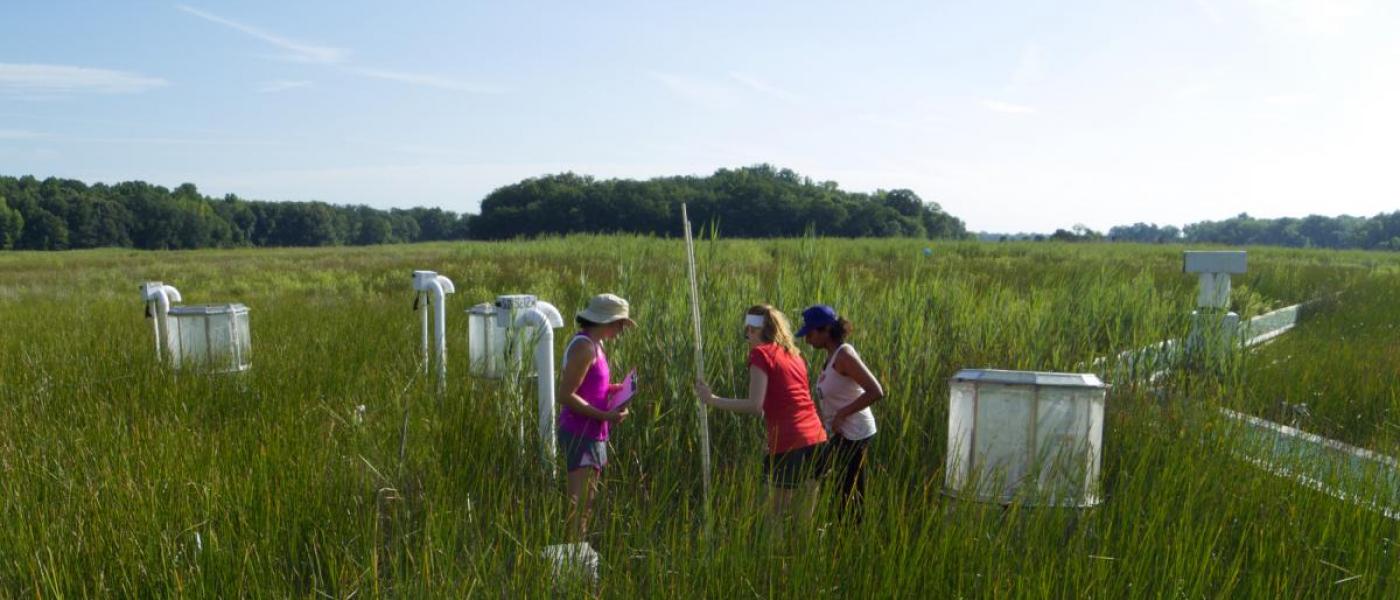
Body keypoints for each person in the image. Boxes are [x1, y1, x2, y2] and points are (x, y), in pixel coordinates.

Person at [696, 304, 828, 540]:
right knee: (805, 520)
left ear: (753, 330)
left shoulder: (760, 354)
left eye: (747, 333)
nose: (747, 339)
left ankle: (774, 569)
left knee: (775, 515)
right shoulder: (794, 354)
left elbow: (755, 405)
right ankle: (803, 563)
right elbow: (791, 400)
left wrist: (712, 400)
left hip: (790, 441)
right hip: (816, 438)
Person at [556, 293, 636, 541]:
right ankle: (573, 560)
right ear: (607, 321)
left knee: (587, 504)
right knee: (579, 506)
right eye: (620, 324)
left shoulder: (596, 345)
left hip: (593, 432)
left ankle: (577, 555)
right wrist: (604, 414)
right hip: (580, 433)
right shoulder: (584, 347)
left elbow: (590, 388)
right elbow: (565, 395)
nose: (621, 330)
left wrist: (614, 391)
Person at [796, 304, 884, 524]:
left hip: (855, 433)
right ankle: (833, 530)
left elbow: (876, 391)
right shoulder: (831, 357)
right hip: (840, 433)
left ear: (826, 330)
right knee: (830, 481)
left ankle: (850, 537)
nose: (807, 340)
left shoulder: (844, 355)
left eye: (810, 333)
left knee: (849, 493)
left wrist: (842, 414)